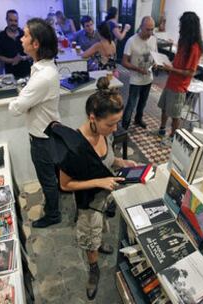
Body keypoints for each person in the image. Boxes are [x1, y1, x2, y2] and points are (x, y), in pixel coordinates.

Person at [45, 77, 137, 300]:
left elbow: (106, 159)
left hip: (104, 196)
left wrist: (122, 163)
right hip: (88, 202)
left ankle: (98, 245)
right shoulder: (73, 147)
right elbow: (65, 185)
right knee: (89, 237)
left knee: (101, 228)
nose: (115, 129)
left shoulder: (106, 132)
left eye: (117, 123)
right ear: (92, 118)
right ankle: (93, 269)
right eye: (110, 124)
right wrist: (98, 182)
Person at [8, 18, 61, 228]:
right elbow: (26, 102)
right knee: (50, 177)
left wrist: (23, 101)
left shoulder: (43, 77)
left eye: (25, 35)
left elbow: (15, 109)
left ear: (36, 43)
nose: (22, 39)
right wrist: (26, 100)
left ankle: (53, 215)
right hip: (47, 133)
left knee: (47, 179)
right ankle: (53, 207)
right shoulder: (42, 69)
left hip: (42, 138)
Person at [157, 12, 203, 143]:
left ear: (188, 26)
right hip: (171, 82)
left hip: (179, 87)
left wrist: (171, 69)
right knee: (164, 108)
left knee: (175, 115)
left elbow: (190, 72)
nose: (179, 27)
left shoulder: (194, 48)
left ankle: (172, 137)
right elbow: (178, 62)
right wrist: (166, 64)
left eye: (181, 24)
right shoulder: (183, 42)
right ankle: (161, 130)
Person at [121, 16, 157, 130]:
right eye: (148, 29)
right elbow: (124, 62)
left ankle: (138, 119)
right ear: (141, 27)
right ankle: (124, 125)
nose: (150, 32)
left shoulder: (153, 39)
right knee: (131, 103)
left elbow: (155, 55)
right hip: (136, 79)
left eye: (152, 29)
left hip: (148, 77)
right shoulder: (131, 41)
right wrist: (138, 69)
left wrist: (156, 63)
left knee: (143, 101)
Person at [0, 10, 32, 79]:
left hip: (27, 73)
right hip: (10, 75)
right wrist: (13, 60)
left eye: (16, 21)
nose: (14, 23)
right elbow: (0, 56)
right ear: (6, 20)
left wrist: (24, 58)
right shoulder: (0, 37)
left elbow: (32, 51)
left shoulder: (25, 34)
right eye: (11, 20)